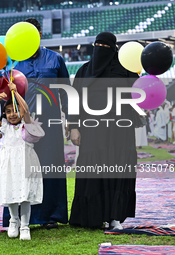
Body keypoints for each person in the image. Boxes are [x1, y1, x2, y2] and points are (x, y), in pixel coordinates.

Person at [3, 18, 70, 229]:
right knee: (21, 168)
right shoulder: (13, 64)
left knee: (50, 168)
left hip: (50, 123)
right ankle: (19, 218)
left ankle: (50, 215)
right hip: (21, 125)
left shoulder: (55, 59)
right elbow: (1, 94)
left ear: (39, 34)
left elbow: (67, 92)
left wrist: (73, 122)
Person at [69, 32, 138, 229]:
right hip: (92, 132)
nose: (100, 49)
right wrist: (74, 127)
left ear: (114, 49)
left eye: (105, 46)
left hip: (119, 131)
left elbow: (138, 94)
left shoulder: (125, 69)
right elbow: (74, 101)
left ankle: (115, 216)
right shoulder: (84, 71)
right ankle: (92, 216)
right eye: (97, 44)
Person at [0, 86, 43, 240]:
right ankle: (14, 220)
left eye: (16, 110)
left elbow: (25, 108)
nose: (13, 114)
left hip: (26, 163)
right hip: (10, 166)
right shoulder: (5, 126)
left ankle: (25, 226)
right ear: (5, 113)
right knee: (12, 192)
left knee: (25, 194)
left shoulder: (27, 125)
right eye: (9, 111)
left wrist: (16, 93)